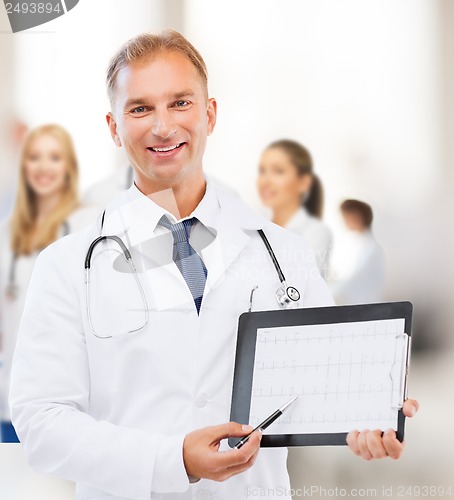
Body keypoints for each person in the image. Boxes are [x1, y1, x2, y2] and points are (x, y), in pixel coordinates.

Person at [9, 31, 418, 500]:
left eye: (180, 103)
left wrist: (367, 418)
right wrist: (174, 460)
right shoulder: (66, 266)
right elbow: (41, 424)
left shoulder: (284, 254)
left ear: (210, 114)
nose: (163, 127)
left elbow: (324, 385)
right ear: (113, 126)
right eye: (140, 108)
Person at [0, 124, 98, 442]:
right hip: (10, 401)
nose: (43, 167)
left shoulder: (90, 224)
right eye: (34, 157)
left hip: (71, 404)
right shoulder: (8, 232)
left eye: (54, 158)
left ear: (69, 167)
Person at [257, 139, 332, 278]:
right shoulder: (255, 226)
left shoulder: (316, 233)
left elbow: (299, 284)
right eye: (262, 171)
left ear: (304, 182)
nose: (265, 181)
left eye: (278, 171)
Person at [331, 199, 386, 305]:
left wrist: (327, 292)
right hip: (359, 305)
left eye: (345, 217)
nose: (344, 222)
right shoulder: (359, 245)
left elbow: (352, 282)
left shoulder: (372, 249)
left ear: (356, 216)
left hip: (367, 308)